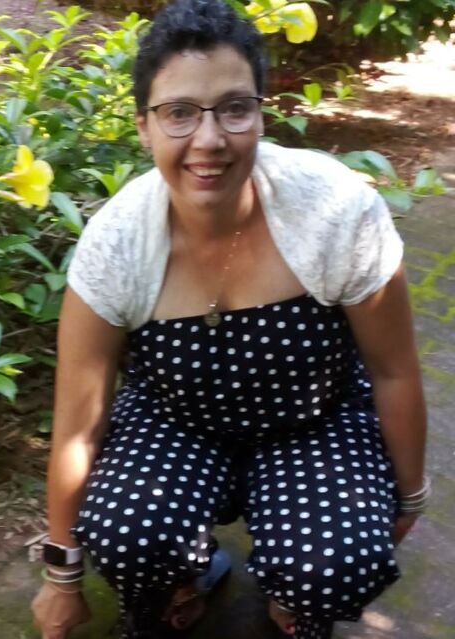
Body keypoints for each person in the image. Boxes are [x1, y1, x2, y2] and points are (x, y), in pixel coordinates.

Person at [31, 1, 428, 637]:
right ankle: (184, 575)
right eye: (179, 113)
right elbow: (78, 426)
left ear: (261, 115)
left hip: (313, 422)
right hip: (177, 421)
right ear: (144, 126)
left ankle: (293, 595)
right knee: (124, 531)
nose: (209, 139)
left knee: (336, 560)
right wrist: (61, 577)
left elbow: (394, 371)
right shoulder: (115, 245)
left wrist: (407, 497)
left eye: (234, 108)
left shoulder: (336, 212)